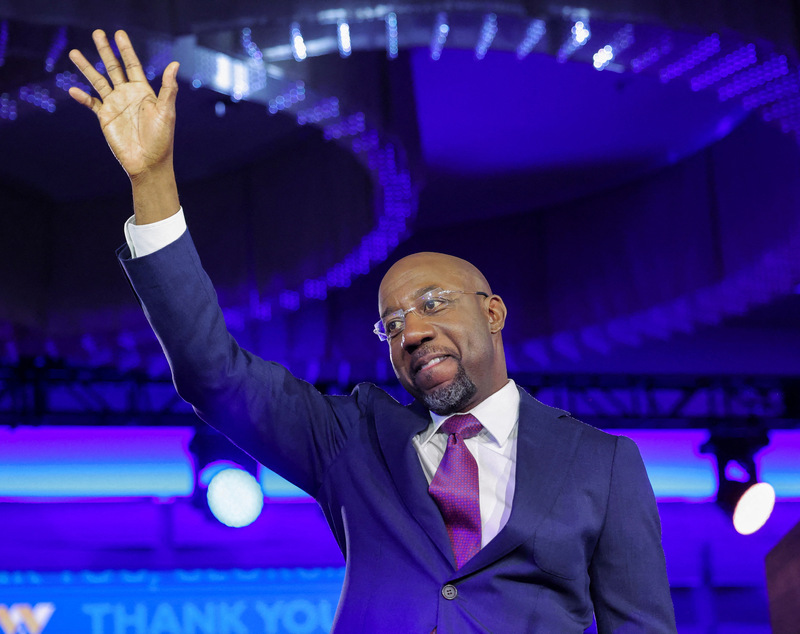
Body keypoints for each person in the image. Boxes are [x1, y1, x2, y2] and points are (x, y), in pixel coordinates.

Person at [68, 30, 677, 632]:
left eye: (433, 304)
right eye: (391, 324)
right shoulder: (352, 440)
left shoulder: (603, 463)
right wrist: (152, 180)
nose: (411, 331)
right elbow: (214, 374)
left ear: (492, 312)